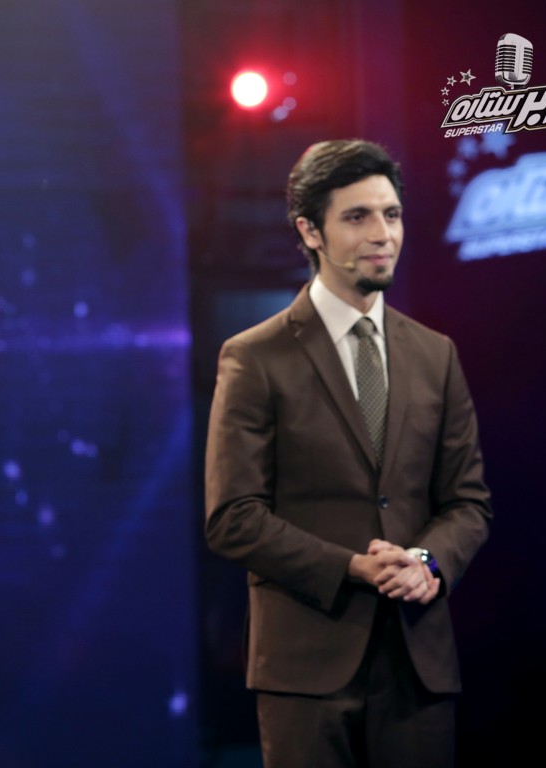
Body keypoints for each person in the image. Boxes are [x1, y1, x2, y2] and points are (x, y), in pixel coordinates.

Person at [204, 139, 492, 767]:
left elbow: (468, 503)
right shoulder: (255, 357)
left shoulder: (435, 354)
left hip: (418, 666)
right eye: (357, 217)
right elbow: (233, 518)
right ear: (310, 231)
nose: (382, 234)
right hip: (306, 668)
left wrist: (425, 561)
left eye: (391, 215)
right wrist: (354, 567)